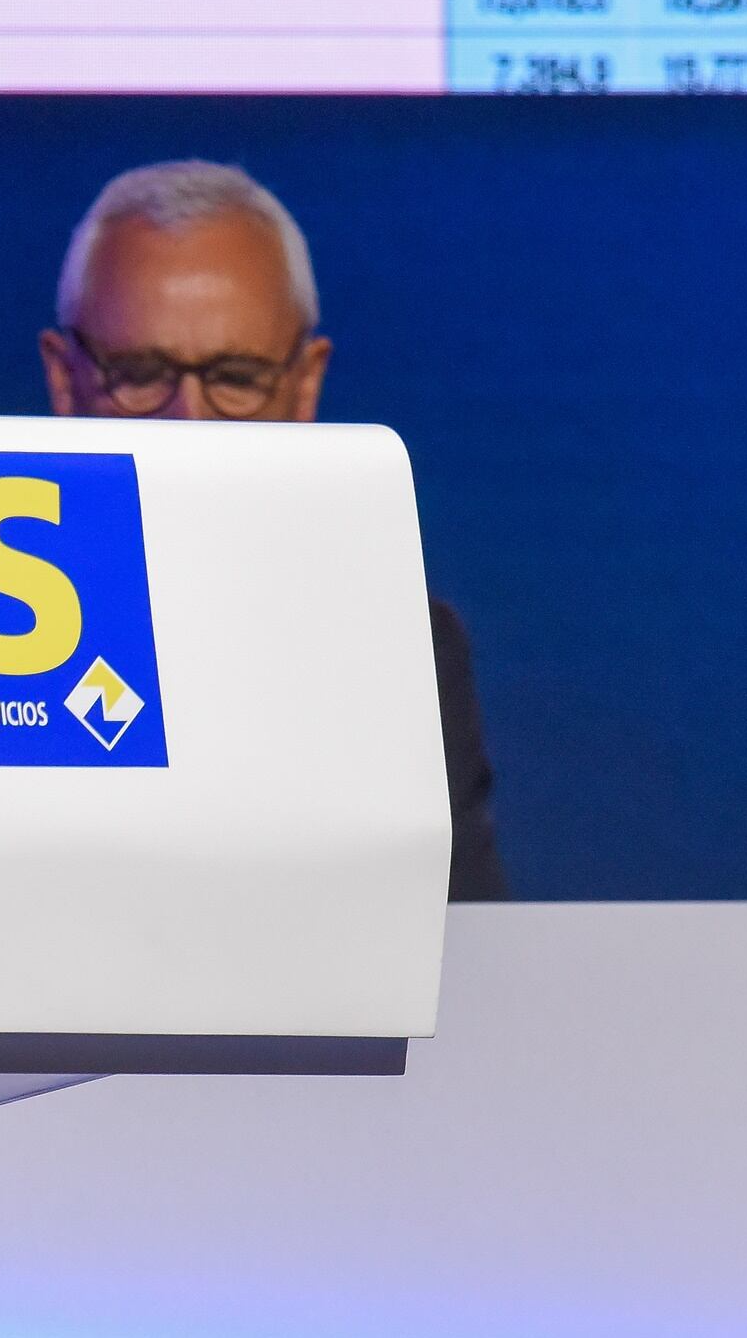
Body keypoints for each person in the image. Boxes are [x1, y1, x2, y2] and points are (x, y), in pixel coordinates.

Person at [40, 159, 511, 901]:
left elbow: (463, 943)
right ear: (65, 381)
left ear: (304, 385)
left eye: (235, 379)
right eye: (139, 376)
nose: (188, 422)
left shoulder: (400, 653)